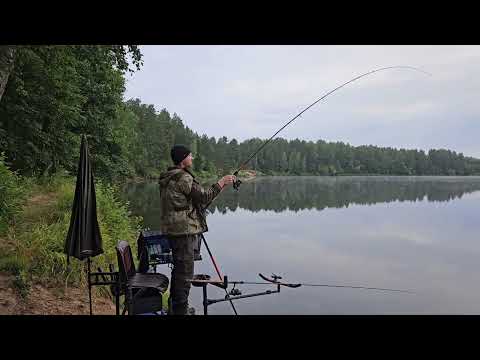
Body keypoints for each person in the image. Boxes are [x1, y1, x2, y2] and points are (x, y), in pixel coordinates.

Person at [158, 144, 236, 315]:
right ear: (182, 159)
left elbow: (198, 202)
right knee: (185, 274)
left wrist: (219, 187)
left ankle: (176, 307)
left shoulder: (169, 177)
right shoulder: (183, 178)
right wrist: (222, 182)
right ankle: (180, 311)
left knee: (179, 271)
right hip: (182, 232)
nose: (192, 157)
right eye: (189, 155)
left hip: (174, 230)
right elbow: (204, 196)